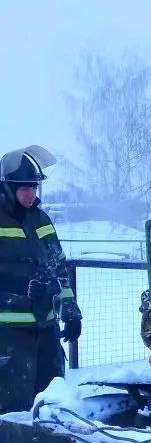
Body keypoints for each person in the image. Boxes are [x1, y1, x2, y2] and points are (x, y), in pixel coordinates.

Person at [0, 145, 82, 413]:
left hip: (46, 328)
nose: (30, 194)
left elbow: (59, 267)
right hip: (9, 335)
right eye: (24, 187)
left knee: (52, 403)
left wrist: (70, 308)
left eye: (34, 187)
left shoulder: (42, 219)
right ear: (8, 187)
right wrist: (19, 289)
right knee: (13, 409)